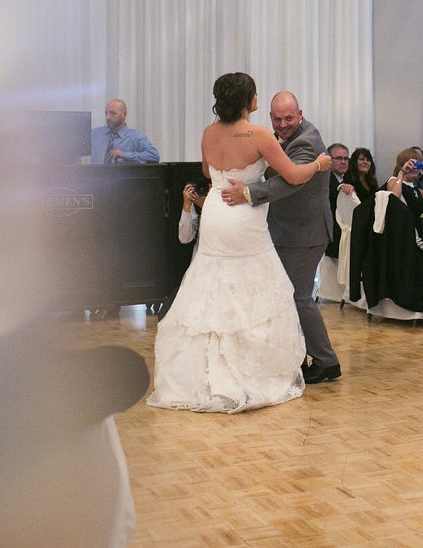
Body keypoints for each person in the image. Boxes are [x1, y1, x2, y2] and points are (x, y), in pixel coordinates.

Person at [147, 73, 331, 413]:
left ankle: (205, 367)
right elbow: (292, 175)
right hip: (244, 213)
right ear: (248, 100)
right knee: (253, 285)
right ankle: (249, 365)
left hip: (217, 209)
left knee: (213, 282)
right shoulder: (260, 134)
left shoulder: (207, 132)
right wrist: (320, 164)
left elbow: (206, 170)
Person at [221, 91, 341, 384]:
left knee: (298, 298)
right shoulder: (277, 136)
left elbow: (290, 182)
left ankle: (327, 362)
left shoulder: (306, 141)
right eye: (278, 118)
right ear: (271, 117)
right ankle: (297, 357)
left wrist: (248, 193)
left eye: (289, 118)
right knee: (286, 297)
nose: (283, 124)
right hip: (288, 229)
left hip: (307, 232)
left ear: (300, 115)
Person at [384, 147, 423, 244]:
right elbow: (394, 198)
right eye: (411, 165)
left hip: (419, 234)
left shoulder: (414, 187)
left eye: (418, 165)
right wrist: (401, 172)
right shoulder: (394, 181)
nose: (415, 168)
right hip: (405, 236)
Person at [90, 99, 160, 165]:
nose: (108, 117)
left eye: (112, 113)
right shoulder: (94, 134)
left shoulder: (136, 137)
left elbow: (154, 156)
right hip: (95, 176)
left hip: (123, 176)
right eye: (106, 113)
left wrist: (123, 155)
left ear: (124, 114)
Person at [326, 142, 354, 259]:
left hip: (344, 238)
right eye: (338, 158)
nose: (343, 162)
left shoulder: (348, 178)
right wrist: (340, 188)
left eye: (346, 158)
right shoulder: (324, 178)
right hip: (329, 239)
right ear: (329, 160)